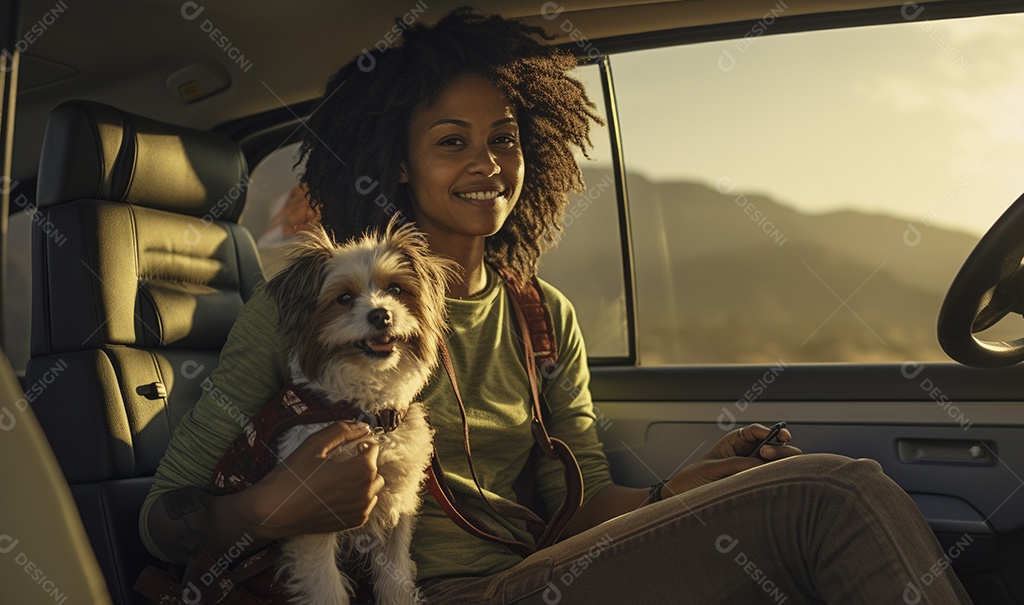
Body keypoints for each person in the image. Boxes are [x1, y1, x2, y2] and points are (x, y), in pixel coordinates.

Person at [141, 9, 973, 604]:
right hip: (425, 590)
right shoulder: (310, 317)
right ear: (397, 165)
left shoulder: (544, 317)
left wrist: (676, 492)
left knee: (801, 490)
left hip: (537, 569)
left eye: (504, 137)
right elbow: (162, 516)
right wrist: (266, 507)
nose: (489, 163)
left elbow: (574, 507)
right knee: (836, 496)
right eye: (452, 141)